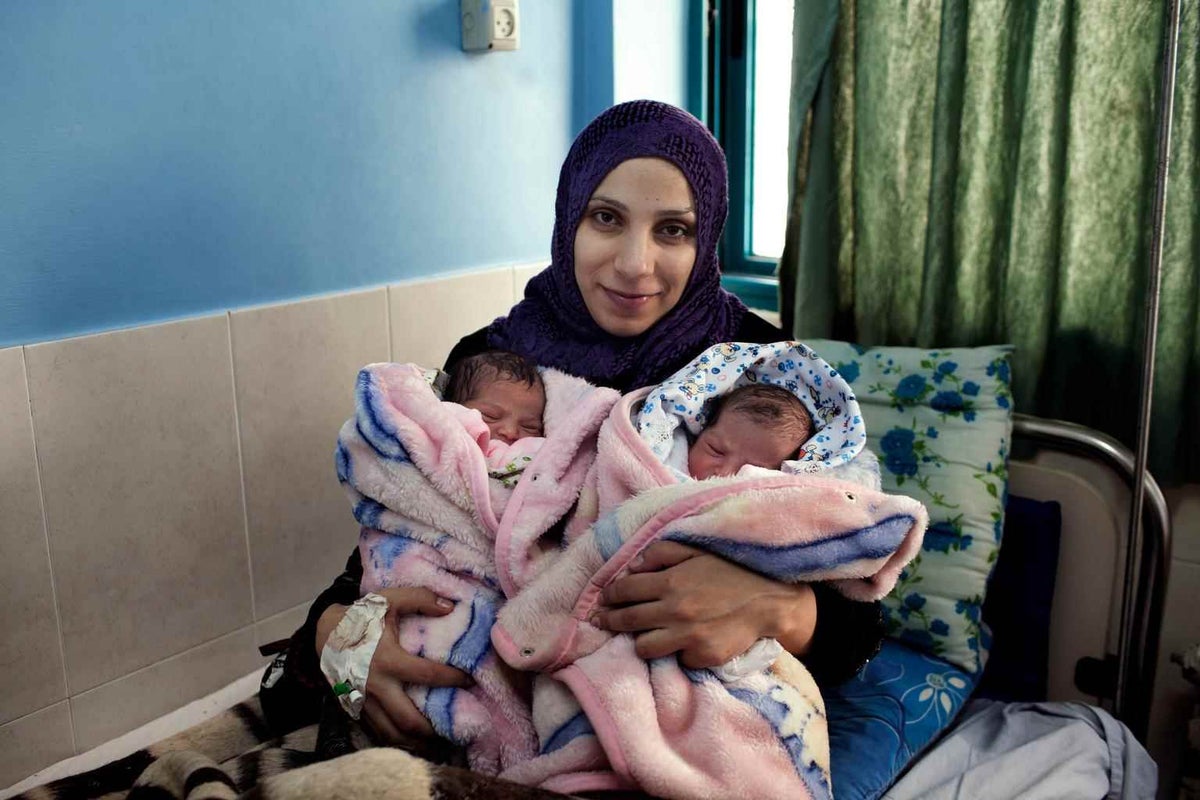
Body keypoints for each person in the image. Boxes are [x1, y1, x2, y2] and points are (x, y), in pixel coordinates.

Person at [260, 99, 884, 745]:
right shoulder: (494, 364)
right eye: (607, 218)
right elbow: (398, 527)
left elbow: (857, 614)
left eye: (673, 229)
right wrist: (338, 632)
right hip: (486, 695)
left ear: (707, 239)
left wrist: (782, 609)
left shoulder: (763, 373)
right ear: (568, 219)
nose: (636, 264)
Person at [443, 350, 545, 487]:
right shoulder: (440, 443)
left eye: (530, 426)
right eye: (491, 416)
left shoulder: (536, 460)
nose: (510, 432)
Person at [686, 383, 813, 480]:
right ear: (700, 432)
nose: (724, 474)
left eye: (753, 469)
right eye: (716, 451)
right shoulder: (669, 458)